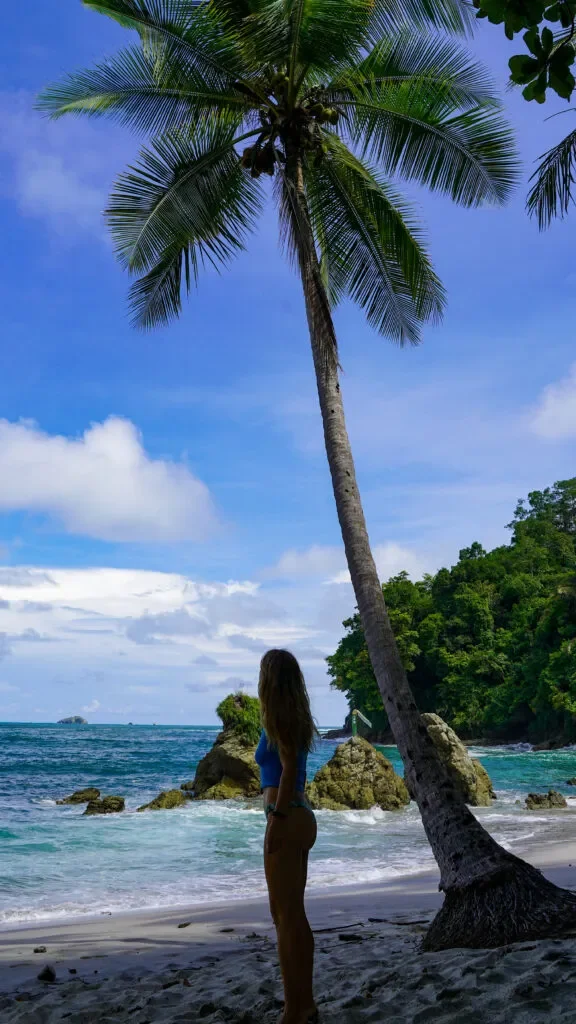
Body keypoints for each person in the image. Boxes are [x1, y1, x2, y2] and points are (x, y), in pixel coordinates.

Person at [255, 649, 318, 1024]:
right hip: (297, 814)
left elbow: (291, 767)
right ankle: (301, 1004)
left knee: (286, 915)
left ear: (270, 679)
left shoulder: (280, 717)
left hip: (288, 816)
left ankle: (296, 1008)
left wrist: (276, 819)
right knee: (289, 915)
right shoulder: (292, 717)